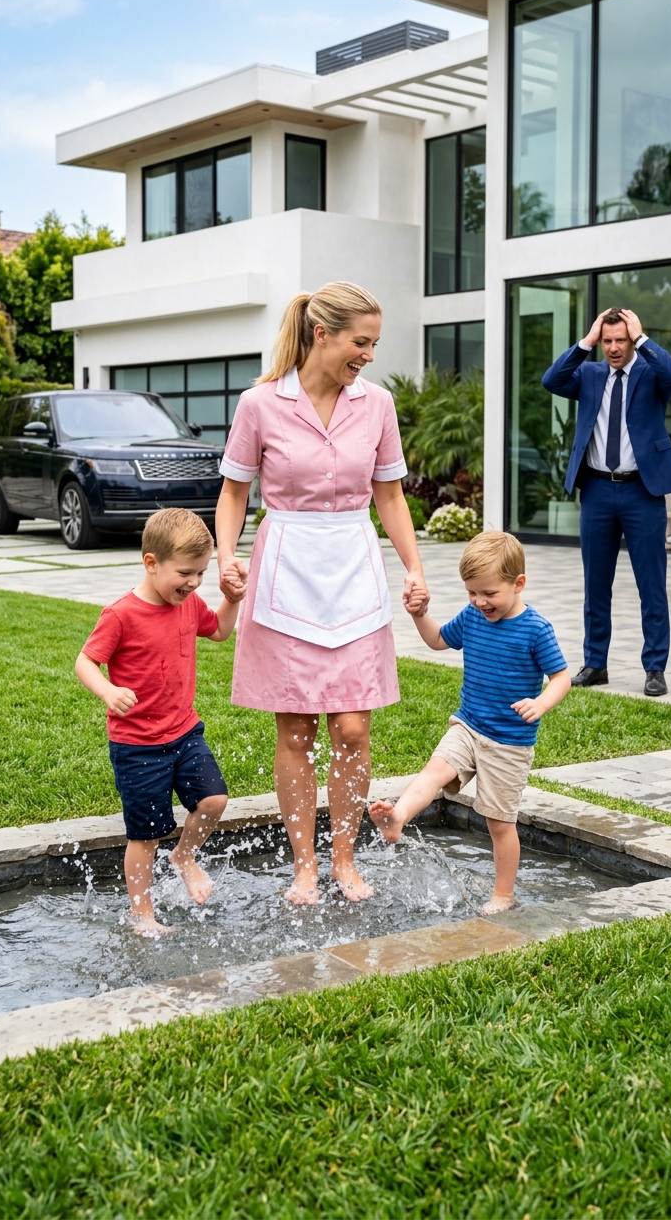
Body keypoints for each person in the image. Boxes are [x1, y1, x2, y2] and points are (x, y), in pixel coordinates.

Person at [215, 282, 430, 906]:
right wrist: (226, 558)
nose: (369, 355)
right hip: (286, 570)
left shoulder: (378, 404)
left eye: (374, 344)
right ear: (321, 335)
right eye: (361, 342)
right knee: (296, 730)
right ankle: (304, 866)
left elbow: (390, 495)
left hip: (355, 569)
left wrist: (414, 568)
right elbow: (234, 491)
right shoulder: (260, 403)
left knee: (354, 728)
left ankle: (345, 860)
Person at [369, 531, 570, 914]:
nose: (479, 601)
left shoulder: (536, 629)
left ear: (518, 583)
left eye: (489, 593)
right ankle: (398, 818)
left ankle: (503, 894)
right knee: (434, 771)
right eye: (471, 592)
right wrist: (419, 615)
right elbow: (437, 640)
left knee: (498, 822)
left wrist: (541, 703)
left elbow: (561, 677)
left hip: (509, 742)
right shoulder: (473, 617)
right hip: (468, 724)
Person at [75, 507, 242, 936]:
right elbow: (85, 662)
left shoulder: (188, 604)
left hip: (184, 731)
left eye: (201, 573)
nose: (194, 583)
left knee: (214, 800)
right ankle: (143, 916)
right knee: (145, 835)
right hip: (137, 745)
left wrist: (232, 599)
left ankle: (184, 856)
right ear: (151, 563)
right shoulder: (121, 615)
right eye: (185, 573)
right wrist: (108, 691)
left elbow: (220, 631)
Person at [542, 306, 671, 697]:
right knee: (595, 584)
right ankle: (595, 664)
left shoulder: (651, 372)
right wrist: (585, 342)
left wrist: (642, 338)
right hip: (597, 491)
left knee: (651, 584)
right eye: (607, 341)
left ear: (631, 339)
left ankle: (654, 669)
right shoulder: (589, 374)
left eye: (620, 340)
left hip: (643, 491)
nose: (613, 348)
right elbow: (551, 380)